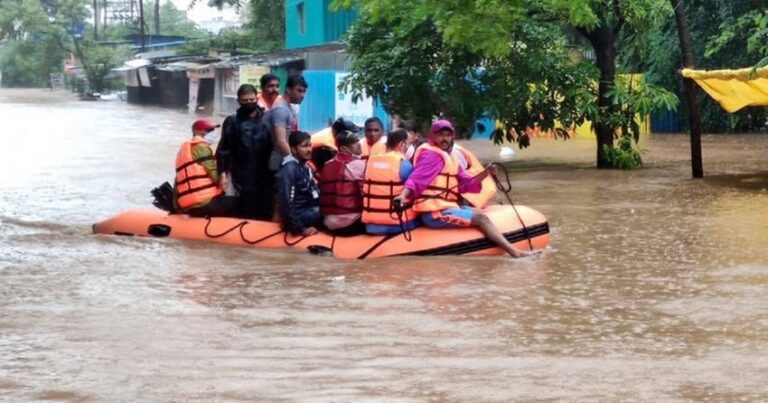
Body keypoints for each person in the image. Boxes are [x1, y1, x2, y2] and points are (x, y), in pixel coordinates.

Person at [393, 119, 534, 258]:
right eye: (441, 135)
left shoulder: (449, 157)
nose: (445, 139)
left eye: (448, 135)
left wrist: (486, 173)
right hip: (434, 213)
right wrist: (403, 195)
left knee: (481, 214)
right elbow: (417, 179)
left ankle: (503, 245)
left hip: (445, 206)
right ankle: (515, 252)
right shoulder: (431, 155)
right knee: (481, 219)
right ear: (433, 136)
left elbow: (468, 183)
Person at [216, 84, 273, 220]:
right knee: (246, 206)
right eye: (245, 101)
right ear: (238, 101)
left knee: (265, 206)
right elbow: (224, 149)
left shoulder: (267, 119)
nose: (249, 103)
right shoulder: (232, 121)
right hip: (242, 173)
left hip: (265, 172)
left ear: (257, 98)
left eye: (252, 100)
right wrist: (223, 174)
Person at [174, 119, 238, 217]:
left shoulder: (182, 152)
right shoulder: (201, 148)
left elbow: (177, 182)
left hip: (187, 204)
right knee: (239, 203)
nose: (211, 133)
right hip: (204, 202)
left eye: (212, 130)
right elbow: (215, 176)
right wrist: (224, 175)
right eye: (208, 130)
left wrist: (177, 208)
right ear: (196, 132)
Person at [362, 128, 420, 235]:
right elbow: (415, 190)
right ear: (402, 145)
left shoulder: (370, 161)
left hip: (370, 225)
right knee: (423, 219)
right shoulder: (404, 164)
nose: (408, 147)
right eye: (408, 144)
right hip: (396, 223)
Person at [318, 130, 366, 234]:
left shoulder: (326, 165)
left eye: (358, 140)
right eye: (354, 142)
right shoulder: (359, 164)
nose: (359, 144)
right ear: (343, 148)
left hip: (327, 223)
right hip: (351, 223)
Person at [277, 131, 321, 236]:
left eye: (310, 145)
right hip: (300, 215)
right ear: (293, 150)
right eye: (304, 146)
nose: (309, 149)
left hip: (309, 209)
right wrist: (300, 229)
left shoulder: (305, 166)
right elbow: (287, 202)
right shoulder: (290, 168)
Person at [267, 75, 309, 173]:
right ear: (288, 90)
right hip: (279, 163)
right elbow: (281, 141)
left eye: (304, 92)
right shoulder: (280, 110)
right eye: (299, 91)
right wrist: (294, 163)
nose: (302, 95)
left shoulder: (289, 108)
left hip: (285, 162)